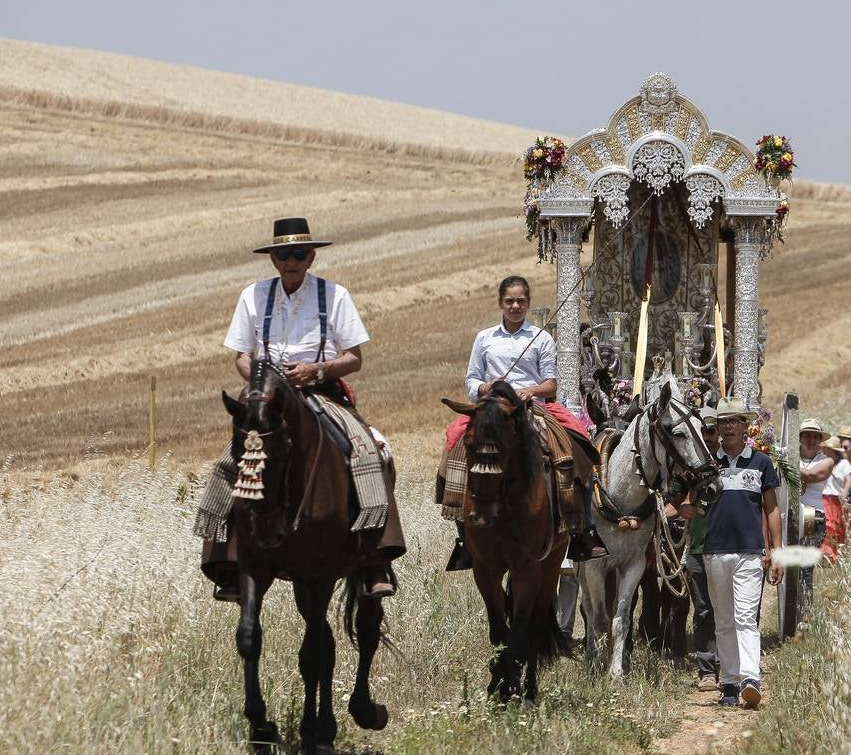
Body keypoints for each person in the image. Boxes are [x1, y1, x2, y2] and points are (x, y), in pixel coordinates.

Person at [203, 217, 403, 601]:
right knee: (230, 461)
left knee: (370, 449)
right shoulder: (253, 295)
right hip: (268, 397)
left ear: (311, 257)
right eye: (283, 254)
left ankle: (376, 556)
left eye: (298, 253)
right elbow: (242, 358)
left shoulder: (336, 295)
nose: (290, 260)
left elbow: (354, 358)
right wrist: (261, 379)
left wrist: (317, 369)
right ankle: (227, 561)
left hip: (321, 391)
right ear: (273, 260)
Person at [442, 275, 606, 571]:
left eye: (521, 301)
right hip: (491, 409)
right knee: (455, 444)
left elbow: (551, 384)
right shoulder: (485, 338)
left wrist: (531, 390)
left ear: (528, 303)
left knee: (575, 447)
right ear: (500, 303)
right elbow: (472, 380)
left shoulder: (541, 337)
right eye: (510, 301)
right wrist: (485, 388)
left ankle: (582, 527)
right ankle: (463, 532)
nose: (515, 306)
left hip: (530, 408)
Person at [703, 397, 783, 709]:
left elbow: (772, 510)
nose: (727, 427)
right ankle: (730, 685)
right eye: (723, 422)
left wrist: (775, 551)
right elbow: (693, 503)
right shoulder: (709, 463)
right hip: (714, 552)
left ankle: (751, 678)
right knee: (723, 621)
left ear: (744, 426)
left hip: (750, 552)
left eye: (734, 420)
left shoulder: (761, 464)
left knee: (746, 618)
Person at [663, 406, 721, 691]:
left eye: (710, 431)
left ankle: (732, 664)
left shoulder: (733, 463)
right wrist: (681, 508)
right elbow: (670, 503)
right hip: (698, 546)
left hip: (731, 547)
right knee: (702, 610)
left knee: (731, 610)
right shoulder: (688, 471)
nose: (707, 437)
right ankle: (707, 669)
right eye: (702, 432)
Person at [819, 436, 850, 563]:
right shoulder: (823, 461)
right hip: (824, 496)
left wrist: (845, 491)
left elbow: (849, 479)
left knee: (835, 525)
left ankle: (833, 554)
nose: (825, 451)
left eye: (828, 449)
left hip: (835, 498)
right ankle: (825, 553)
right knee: (826, 525)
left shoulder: (844, 464)